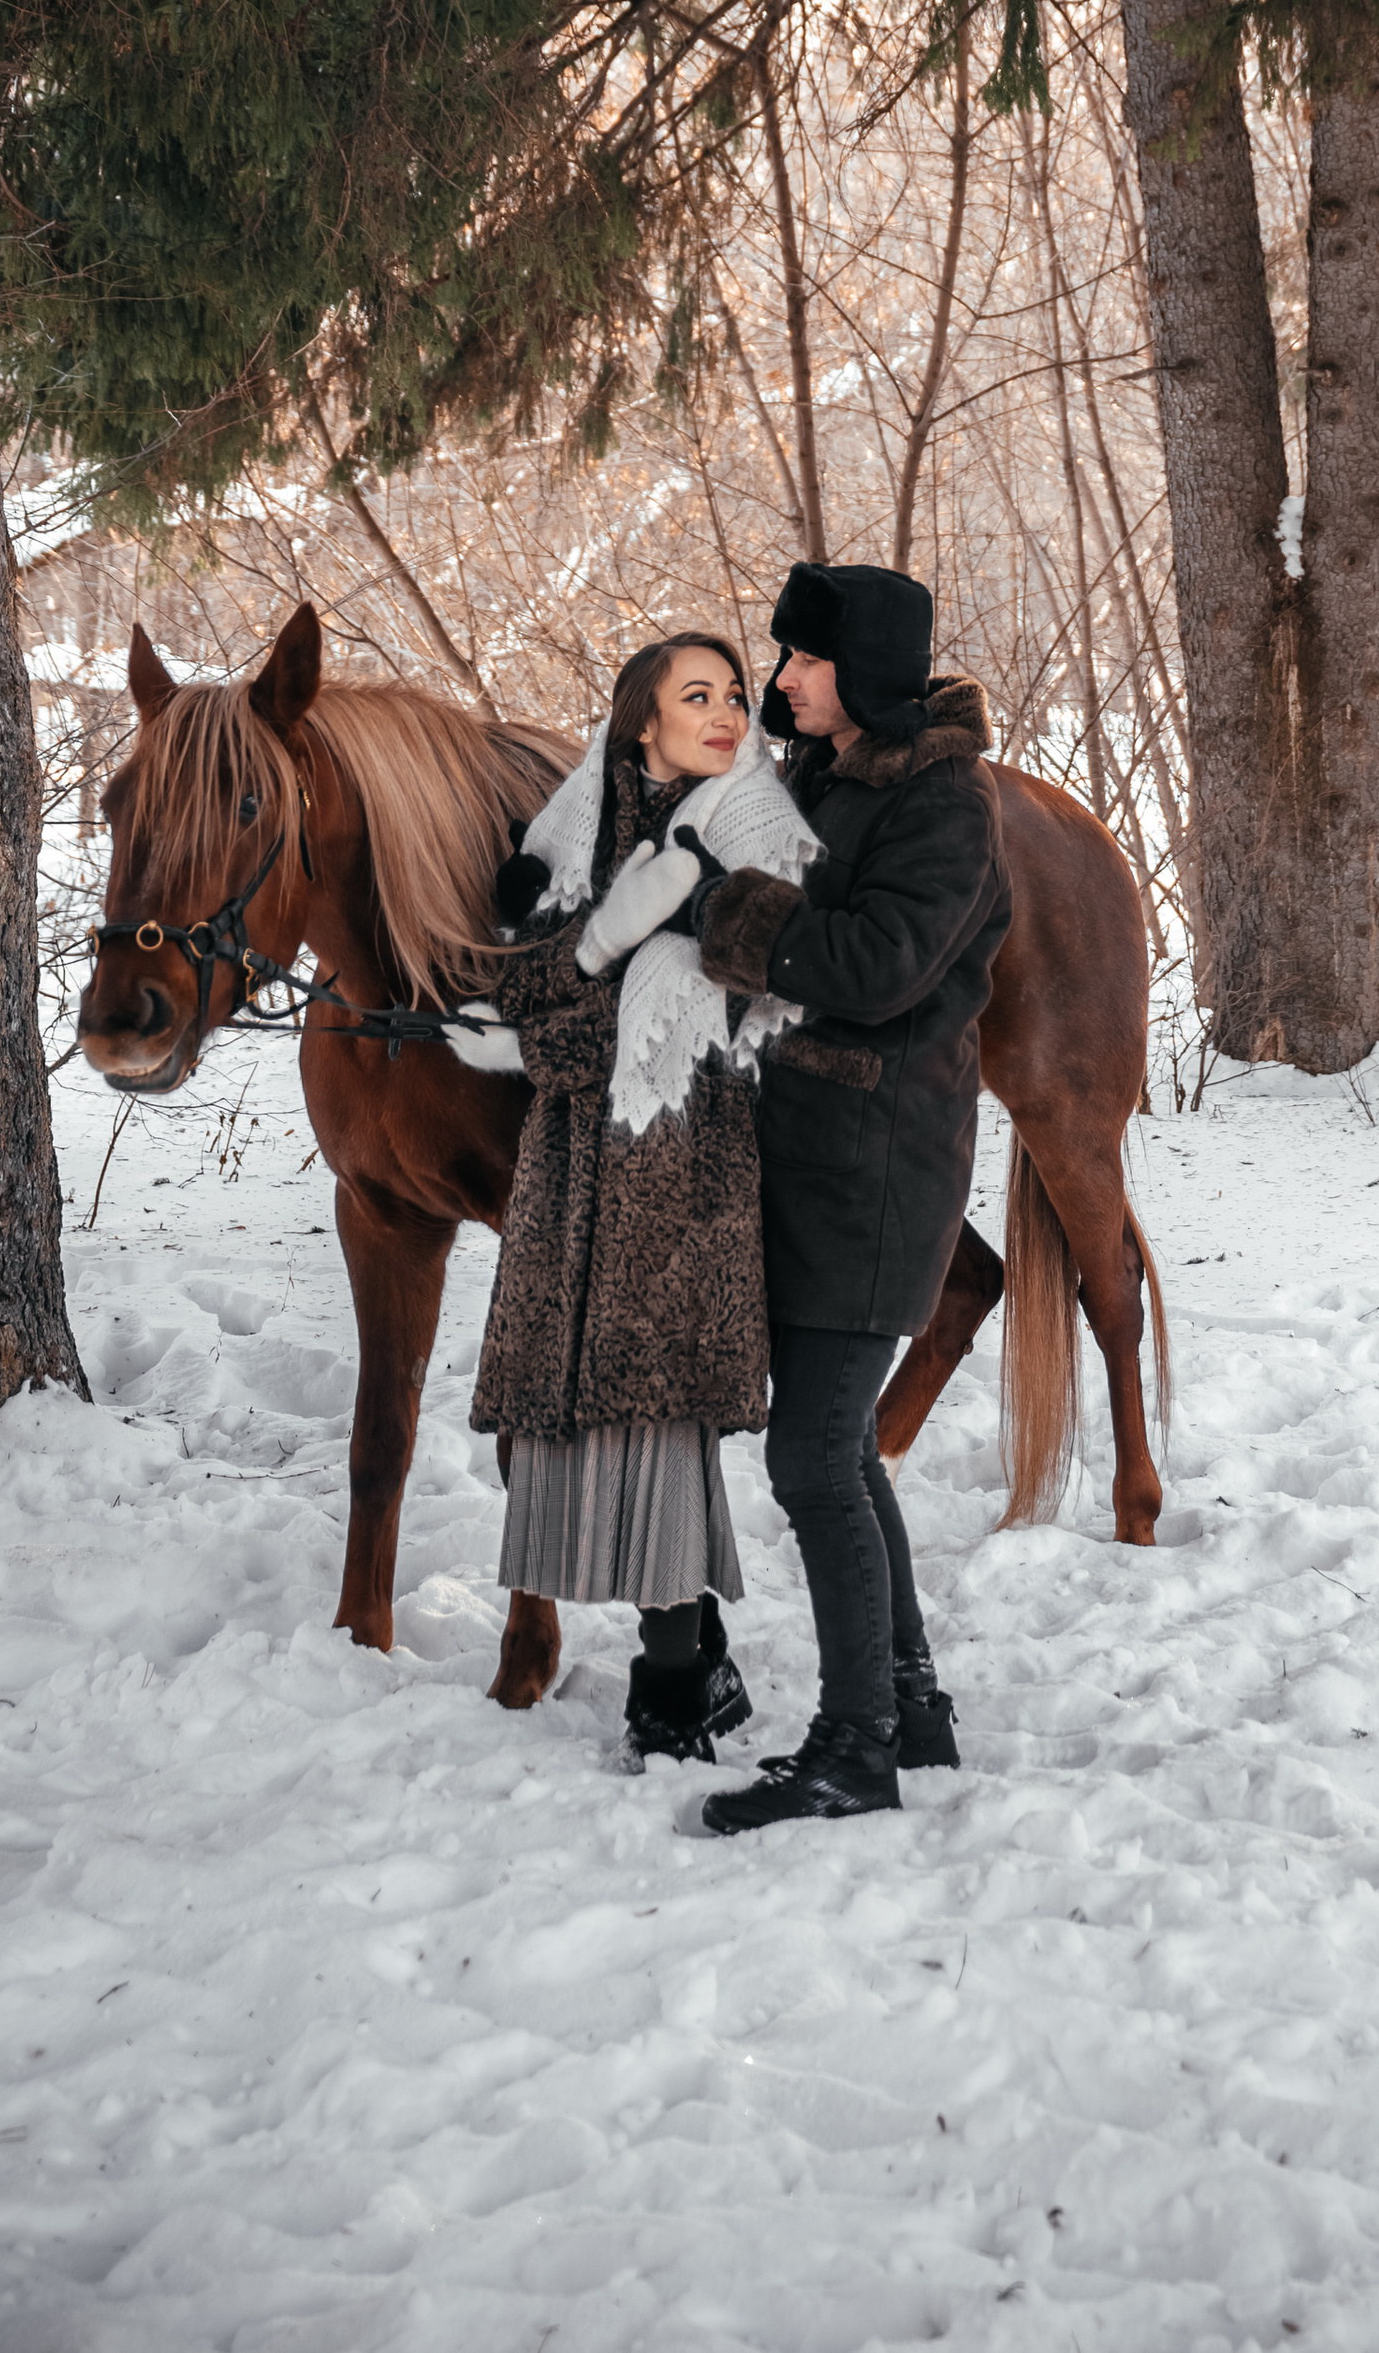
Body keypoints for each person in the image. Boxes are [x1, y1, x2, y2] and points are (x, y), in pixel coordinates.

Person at [446, 631, 821, 1767]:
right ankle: (701, 1664)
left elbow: (686, 1003)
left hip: (684, 1166)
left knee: (659, 1426)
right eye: (694, 695)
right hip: (572, 1177)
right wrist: (603, 936)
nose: (725, 712)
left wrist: (533, 1041)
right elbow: (514, 973)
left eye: (734, 694)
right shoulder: (573, 832)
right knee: (567, 1423)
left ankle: (672, 1693)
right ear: (640, 721)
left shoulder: (758, 835)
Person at [689, 560, 1012, 1832]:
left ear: (865, 670)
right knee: (840, 1452)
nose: (781, 681)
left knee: (815, 1456)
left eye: (806, 660)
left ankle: (854, 1749)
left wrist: (731, 915)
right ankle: (910, 1707)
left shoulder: (945, 803)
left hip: (878, 1171)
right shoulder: (827, 777)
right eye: (783, 657)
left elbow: (879, 967)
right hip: (811, 1160)